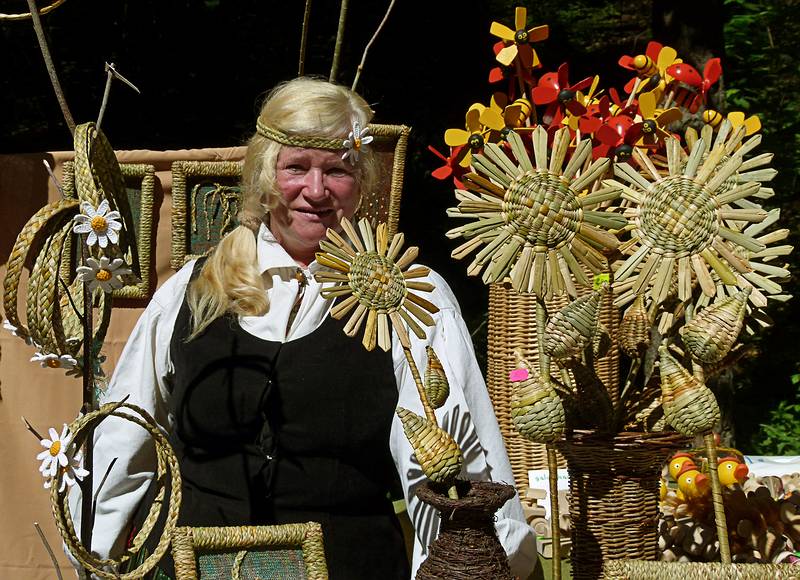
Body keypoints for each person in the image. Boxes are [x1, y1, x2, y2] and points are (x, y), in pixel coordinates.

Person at [69, 76, 537, 579]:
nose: (315, 191)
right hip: (199, 569)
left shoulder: (407, 295)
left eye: (337, 170)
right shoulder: (196, 285)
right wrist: (94, 561)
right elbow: (123, 436)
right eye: (296, 168)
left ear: (362, 182)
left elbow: (449, 460)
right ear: (266, 173)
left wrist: (465, 565)